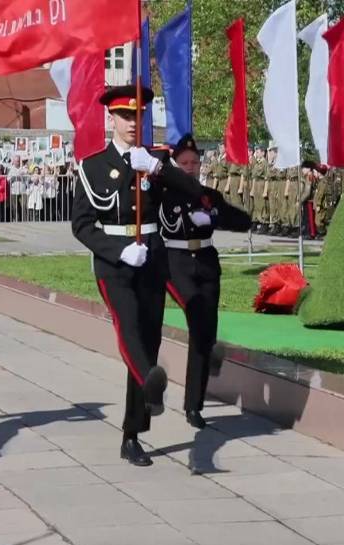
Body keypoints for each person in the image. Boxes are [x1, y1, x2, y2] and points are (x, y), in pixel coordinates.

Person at [71, 85, 204, 467]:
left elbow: (193, 190)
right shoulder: (92, 165)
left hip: (152, 256)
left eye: (139, 115)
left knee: (149, 338)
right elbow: (81, 225)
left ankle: (132, 433)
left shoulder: (157, 157)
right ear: (111, 118)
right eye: (126, 116)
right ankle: (151, 378)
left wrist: (157, 168)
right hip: (114, 263)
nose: (133, 122)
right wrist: (117, 250)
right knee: (128, 328)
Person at [161, 134, 252, 430]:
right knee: (199, 322)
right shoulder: (164, 193)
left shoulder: (208, 195)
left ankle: (195, 401)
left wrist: (213, 215)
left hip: (207, 263)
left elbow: (240, 220)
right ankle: (192, 406)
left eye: (194, 162)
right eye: (184, 162)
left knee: (206, 332)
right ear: (175, 164)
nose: (189, 167)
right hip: (177, 264)